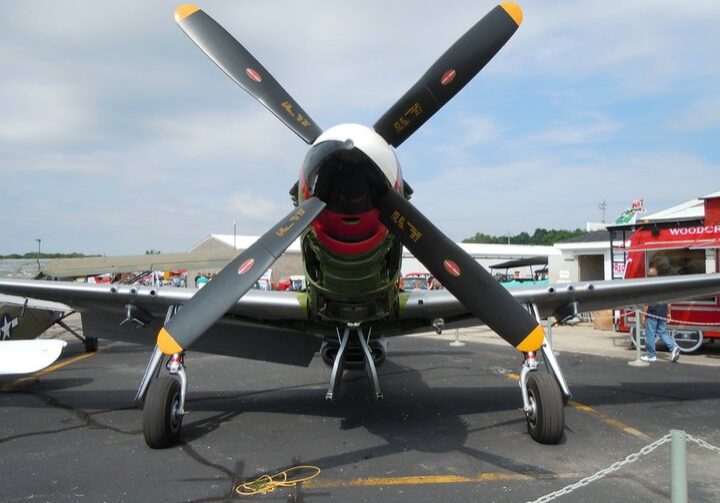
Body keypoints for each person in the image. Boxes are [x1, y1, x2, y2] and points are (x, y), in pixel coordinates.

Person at [641, 267, 680, 363]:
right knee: (662, 332)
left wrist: (643, 315)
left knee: (650, 334)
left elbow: (646, 302)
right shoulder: (664, 284)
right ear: (657, 275)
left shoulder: (648, 286)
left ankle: (651, 356)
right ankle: (674, 347)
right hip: (662, 312)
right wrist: (669, 313)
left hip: (652, 313)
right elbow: (669, 300)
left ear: (648, 276)